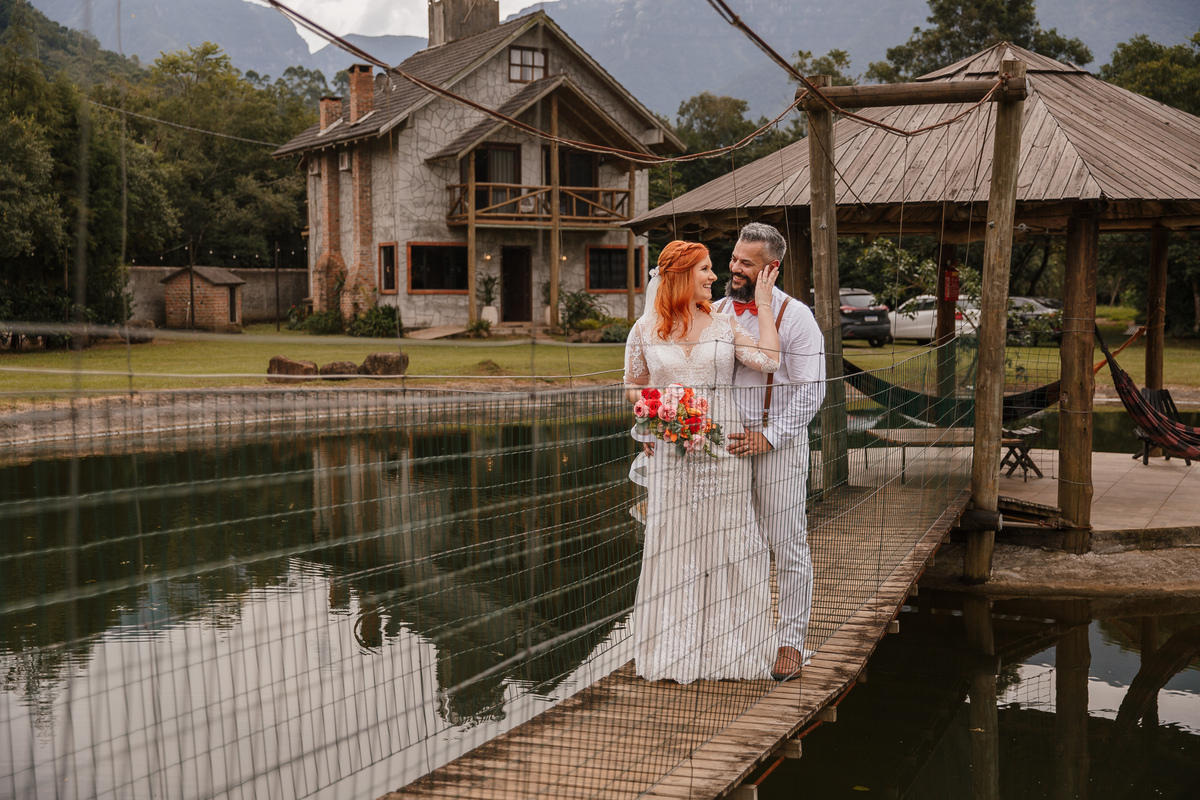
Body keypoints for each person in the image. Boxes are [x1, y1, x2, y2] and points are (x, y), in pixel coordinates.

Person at [623, 240, 782, 682]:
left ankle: (732, 649)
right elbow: (633, 385)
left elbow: (769, 361)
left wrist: (764, 305)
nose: (714, 277)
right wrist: (655, 412)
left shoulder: (724, 323)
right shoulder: (644, 330)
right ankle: (675, 650)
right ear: (679, 275)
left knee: (728, 540)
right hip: (673, 452)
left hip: (722, 450)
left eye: (713, 269)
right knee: (675, 542)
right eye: (705, 269)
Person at [717, 222, 826, 681]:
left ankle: (790, 643)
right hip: (723, 447)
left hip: (776, 443)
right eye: (734, 258)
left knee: (787, 544)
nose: (734, 267)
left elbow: (810, 390)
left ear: (771, 269)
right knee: (732, 545)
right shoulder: (717, 310)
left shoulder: (796, 316)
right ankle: (741, 635)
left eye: (746, 263)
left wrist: (772, 435)